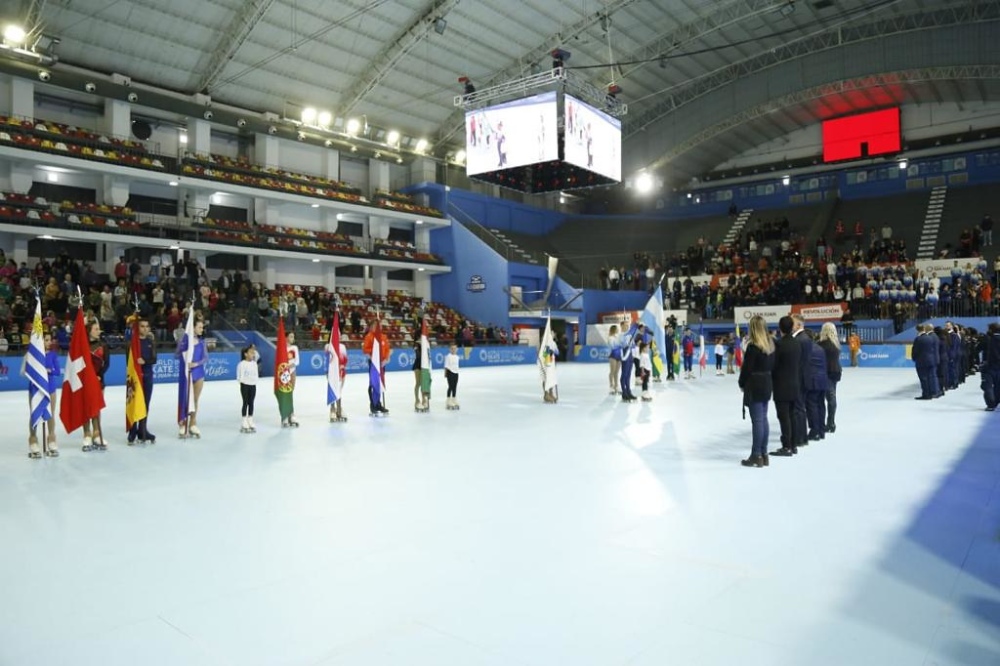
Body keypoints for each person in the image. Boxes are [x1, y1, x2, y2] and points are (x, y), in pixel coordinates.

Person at [739, 315, 775, 468]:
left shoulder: (753, 347)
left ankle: (756, 455)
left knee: (758, 421)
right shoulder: (770, 346)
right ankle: (764, 453)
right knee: (763, 419)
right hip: (767, 383)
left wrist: (741, 383)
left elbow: (746, 369)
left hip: (755, 384)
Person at [22, 327, 60, 458]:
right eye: (47, 340)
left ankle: (51, 438)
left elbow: (57, 371)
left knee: (51, 414)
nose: (49, 342)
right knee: (35, 414)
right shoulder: (32, 355)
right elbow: (24, 372)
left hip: (50, 388)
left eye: (50, 340)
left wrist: (48, 370)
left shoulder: (53, 354)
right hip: (35, 389)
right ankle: (33, 440)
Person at [771, 316, 801, 457]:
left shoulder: (779, 344)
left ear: (780, 327)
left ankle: (786, 446)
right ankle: (793, 444)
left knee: (784, 417)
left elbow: (774, 365)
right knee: (792, 415)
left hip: (781, 385)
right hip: (794, 383)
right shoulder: (797, 343)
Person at [176, 313, 207, 438]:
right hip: (186, 374)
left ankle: (193, 423)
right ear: (193, 327)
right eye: (199, 327)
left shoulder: (202, 342)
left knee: (195, 400)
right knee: (185, 398)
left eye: (202, 327)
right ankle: (182, 423)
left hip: (198, 373)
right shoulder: (185, 341)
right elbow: (177, 354)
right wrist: (184, 354)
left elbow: (205, 358)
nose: (201, 329)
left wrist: (196, 364)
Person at [128, 317, 157, 444]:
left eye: (147, 326)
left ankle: (143, 429)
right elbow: (127, 360)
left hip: (147, 376)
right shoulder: (132, 343)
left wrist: (145, 361)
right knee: (134, 402)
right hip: (135, 378)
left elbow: (154, 359)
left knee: (145, 403)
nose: (144, 329)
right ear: (137, 328)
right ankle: (132, 430)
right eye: (142, 326)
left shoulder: (151, 341)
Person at [84, 318, 110, 450]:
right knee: (86, 408)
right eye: (95, 329)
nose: (98, 331)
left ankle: (96, 433)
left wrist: (99, 375)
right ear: (89, 331)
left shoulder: (103, 345)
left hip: (99, 380)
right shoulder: (82, 345)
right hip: (85, 381)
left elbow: (107, 364)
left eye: (98, 329)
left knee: (96, 407)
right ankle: (87, 434)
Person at [790, 314, 813, 449]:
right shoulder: (804, 338)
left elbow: (798, 361)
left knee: (798, 408)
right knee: (800, 408)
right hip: (803, 377)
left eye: (792, 323)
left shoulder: (800, 339)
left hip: (799, 378)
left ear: (798, 325)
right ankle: (802, 437)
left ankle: (799, 437)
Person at [818, 322, 843, 433]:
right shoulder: (836, 344)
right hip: (836, 371)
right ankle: (831, 421)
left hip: (825, 373)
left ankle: (826, 423)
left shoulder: (821, 344)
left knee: (823, 398)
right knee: (832, 397)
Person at [363, 319, 391, 415]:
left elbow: (387, 349)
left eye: (380, 325)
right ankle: (373, 404)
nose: (379, 327)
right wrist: (373, 352)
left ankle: (378, 404)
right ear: (371, 327)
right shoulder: (369, 337)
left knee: (380, 384)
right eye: (376, 325)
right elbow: (365, 349)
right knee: (373, 383)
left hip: (382, 364)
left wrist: (385, 360)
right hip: (374, 364)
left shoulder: (383, 337)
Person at [804, 330, 828, 441]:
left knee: (812, 405)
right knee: (821, 404)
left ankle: (815, 430)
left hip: (813, 380)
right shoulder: (820, 348)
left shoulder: (807, 349)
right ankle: (821, 430)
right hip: (823, 379)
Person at [912, 323, 940, 401]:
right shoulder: (930, 338)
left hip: (921, 361)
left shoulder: (918, 339)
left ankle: (926, 394)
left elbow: (915, 350)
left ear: (917, 330)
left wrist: (914, 358)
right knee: (930, 377)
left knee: (923, 378)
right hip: (931, 360)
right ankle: (931, 393)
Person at [237, 344, 259, 432]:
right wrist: (242, 382)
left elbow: (256, 374)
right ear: (245, 354)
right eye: (251, 353)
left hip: (253, 384)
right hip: (245, 385)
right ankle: (244, 420)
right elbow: (239, 375)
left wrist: (254, 381)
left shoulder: (254, 364)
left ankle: (250, 419)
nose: (253, 354)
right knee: (245, 402)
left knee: (251, 402)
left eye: (253, 353)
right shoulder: (241, 364)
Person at [979, 323, 1000, 410]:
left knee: (987, 386)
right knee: (998, 386)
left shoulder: (991, 339)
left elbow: (993, 354)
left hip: (991, 366)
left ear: (991, 329)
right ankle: (996, 402)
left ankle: (991, 404)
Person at [283, 330, 301, 426]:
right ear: (286, 337)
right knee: (285, 393)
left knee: (290, 393)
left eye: (293, 337)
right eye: (290, 336)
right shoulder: (281, 348)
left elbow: (297, 361)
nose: (292, 338)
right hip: (283, 373)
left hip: (292, 371)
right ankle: (285, 414)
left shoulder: (294, 348)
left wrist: (291, 365)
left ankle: (291, 414)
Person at [444, 343, 460, 410]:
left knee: (454, 386)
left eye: (455, 348)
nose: (453, 350)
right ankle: (448, 400)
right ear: (450, 349)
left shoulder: (457, 357)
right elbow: (446, 366)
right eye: (452, 348)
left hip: (456, 373)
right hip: (450, 372)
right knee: (450, 386)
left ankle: (454, 399)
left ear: (457, 349)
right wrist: (445, 374)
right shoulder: (448, 356)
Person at [607, 324, 620, 394]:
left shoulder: (618, 337)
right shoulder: (610, 338)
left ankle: (616, 386)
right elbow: (612, 346)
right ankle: (611, 386)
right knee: (612, 371)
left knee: (616, 372)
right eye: (617, 328)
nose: (618, 329)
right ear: (614, 329)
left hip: (618, 355)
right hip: (613, 355)